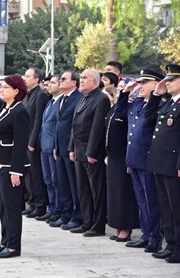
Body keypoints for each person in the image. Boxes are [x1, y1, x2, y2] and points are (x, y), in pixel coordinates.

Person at [116, 69, 164, 253]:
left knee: (151, 200)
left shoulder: (159, 104)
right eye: (140, 83)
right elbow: (120, 112)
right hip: (134, 159)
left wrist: (156, 96)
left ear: (157, 84)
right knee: (141, 201)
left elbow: (151, 119)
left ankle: (154, 237)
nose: (140, 86)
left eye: (145, 83)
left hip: (147, 160)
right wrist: (126, 91)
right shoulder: (137, 103)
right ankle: (145, 234)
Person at [146, 64, 180, 264]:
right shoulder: (170, 102)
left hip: (174, 164)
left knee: (178, 208)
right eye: (167, 80)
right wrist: (156, 94)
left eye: (172, 80)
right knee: (166, 207)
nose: (167, 83)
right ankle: (171, 243)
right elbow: (149, 117)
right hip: (160, 162)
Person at [0, 74, 30, 259]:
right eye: (1, 87)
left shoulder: (20, 111)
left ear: (16, 91)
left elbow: (21, 143)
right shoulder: (5, 108)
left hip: (10, 165)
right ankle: (5, 241)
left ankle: (13, 246)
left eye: (5, 87)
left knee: (12, 207)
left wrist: (16, 170)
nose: (1, 90)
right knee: (3, 206)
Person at [69, 69, 110, 237]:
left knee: (97, 189)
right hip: (79, 150)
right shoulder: (83, 98)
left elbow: (97, 127)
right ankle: (87, 221)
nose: (82, 80)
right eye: (81, 78)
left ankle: (98, 225)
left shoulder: (101, 99)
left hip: (91, 152)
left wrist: (91, 151)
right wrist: (71, 147)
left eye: (85, 78)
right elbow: (75, 124)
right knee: (83, 189)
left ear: (94, 81)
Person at [104, 85, 139, 242]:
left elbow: (122, 113)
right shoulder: (117, 107)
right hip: (112, 156)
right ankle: (117, 225)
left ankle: (126, 227)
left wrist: (125, 94)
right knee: (114, 194)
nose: (120, 90)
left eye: (124, 88)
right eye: (119, 88)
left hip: (123, 156)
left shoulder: (131, 107)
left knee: (123, 193)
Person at [50, 71, 83, 230]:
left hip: (71, 148)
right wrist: (55, 145)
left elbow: (74, 126)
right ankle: (65, 213)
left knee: (73, 184)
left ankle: (77, 216)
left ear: (74, 83)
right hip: (59, 147)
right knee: (61, 183)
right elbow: (58, 124)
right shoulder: (61, 99)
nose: (60, 81)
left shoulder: (78, 98)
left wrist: (71, 147)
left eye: (64, 79)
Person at [22, 67, 50, 218]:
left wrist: (32, 142)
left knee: (36, 175)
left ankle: (40, 205)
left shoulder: (40, 95)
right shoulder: (27, 95)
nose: (24, 78)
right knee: (28, 175)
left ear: (36, 80)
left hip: (33, 142)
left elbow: (38, 120)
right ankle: (32, 203)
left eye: (27, 76)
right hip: (24, 140)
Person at [38, 74, 63, 222]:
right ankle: (52, 207)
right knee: (48, 180)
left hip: (53, 147)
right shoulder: (50, 102)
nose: (49, 85)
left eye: (53, 83)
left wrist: (55, 145)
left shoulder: (61, 102)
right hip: (44, 147)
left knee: (56, 181)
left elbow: (58, 127)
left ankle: (58, 209)